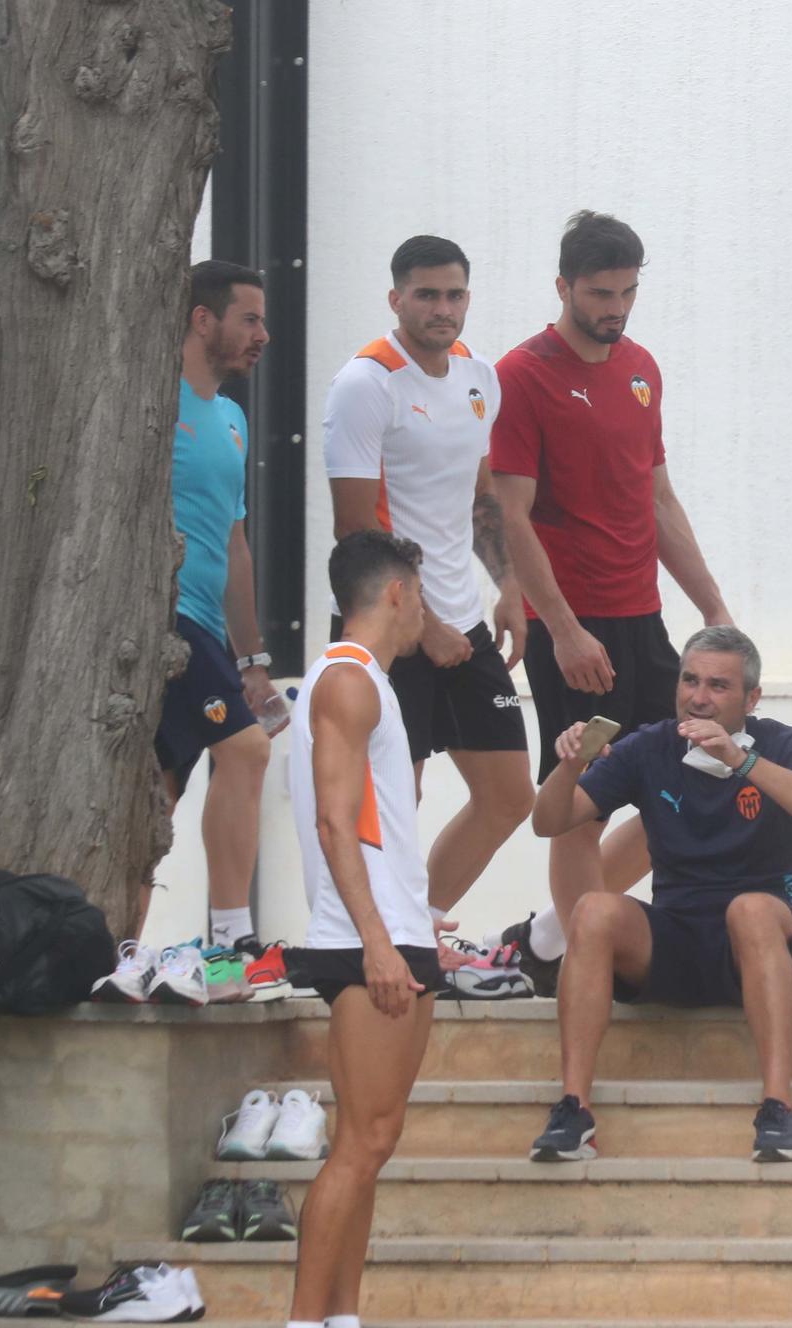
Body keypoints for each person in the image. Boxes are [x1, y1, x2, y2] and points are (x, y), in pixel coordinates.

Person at [486, 210, 732, 995]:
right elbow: (508, 513)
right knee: (581, 805)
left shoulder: (641, 368)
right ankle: (582, 966)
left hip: (643, 617)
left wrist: (715, 612)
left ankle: (554, 936)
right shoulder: (520, 376)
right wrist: (557, 628)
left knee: (690, 777)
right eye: (600, 292)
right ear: (563, 286)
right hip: (573, 624)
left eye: (627, 291)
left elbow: (658, 499)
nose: (616, 307)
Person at [526, 627, 792, 1163]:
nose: (698, 697)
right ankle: (574, 1109)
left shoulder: (787, 744)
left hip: (775, 937)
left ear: (751, 698)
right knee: (595, 910)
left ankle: (779, 1109)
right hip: (679, 940)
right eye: (690, 680)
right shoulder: (651, 745)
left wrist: (741, 761)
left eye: (718, 685)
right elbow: (549, 821)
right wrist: (571, 763)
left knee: (750, 910)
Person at [322, 235, 531, 996]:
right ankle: (380, 947)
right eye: (426, 295)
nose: (441, 309)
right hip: (391, 627)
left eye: (454, 295)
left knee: (511, 794)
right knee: (391, 801)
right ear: (396, 300)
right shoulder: (366, 384)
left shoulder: (479, 378)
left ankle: (422, 923)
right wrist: (423, 623)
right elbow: (356, 529)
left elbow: (481, 498)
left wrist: (506, 585)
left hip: (465, 622)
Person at [282, 529, 439, 1328]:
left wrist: (412, 919)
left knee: (371, 1144)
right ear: (395, 594)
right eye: (422, 592)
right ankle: (307, 1320)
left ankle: (342, 1317)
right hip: (363, 943)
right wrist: (379, 939)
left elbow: (375, 833)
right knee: (361, 1145)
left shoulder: (362, 682)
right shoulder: (347, 683)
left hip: (391, 931)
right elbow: (336, 827)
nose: (426, 610)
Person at [143, 260, 276, 955]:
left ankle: (117, 952)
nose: (263, 334)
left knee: (153, 797)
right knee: (248, 751)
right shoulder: (151, 401)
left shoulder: (230, 419)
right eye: (249, 319)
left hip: (208, 632)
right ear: (203, 320)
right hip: (162, 620)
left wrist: (252, 659)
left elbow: (235, 543)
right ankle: (232, 941)